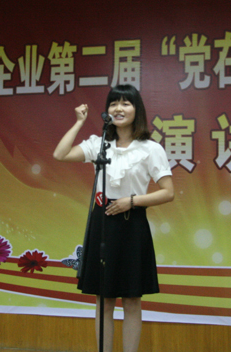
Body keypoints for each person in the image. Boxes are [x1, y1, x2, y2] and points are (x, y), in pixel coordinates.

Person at [53, 84, 174, 352]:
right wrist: (79, 122)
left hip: (133, 224)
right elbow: (60, 154)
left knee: (131, 300)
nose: (119, 108)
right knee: (104, 299)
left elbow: (168, 192)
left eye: (125, 103)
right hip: (103, 223)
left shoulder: (150, 149)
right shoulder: (99, 144)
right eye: (113, 103)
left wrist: (131, 201)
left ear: (136, 109)